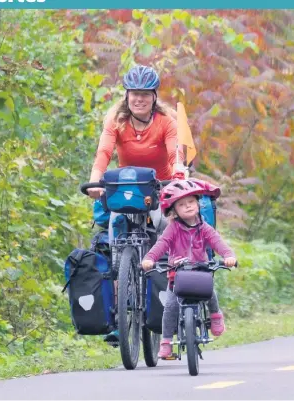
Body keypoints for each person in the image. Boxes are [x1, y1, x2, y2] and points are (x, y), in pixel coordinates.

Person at [86, 64, 179, 344]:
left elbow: (175, 155)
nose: (138, 99)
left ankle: (166, 303)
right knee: (115, 236)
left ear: (154, 96)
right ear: (126, 95)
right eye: (133, 93)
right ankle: (118, 315)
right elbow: (104, 152)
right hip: (126, 189)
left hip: (159, 188)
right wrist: (94, 180)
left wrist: (176, 180)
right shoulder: (116, 120)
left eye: (144, 94)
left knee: (165, 232)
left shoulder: (166, 122)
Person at [141, 179, 237, 359]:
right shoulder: (172, 229)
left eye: (191, 202)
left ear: (198, 203)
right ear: (173, 210)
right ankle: (167, 341)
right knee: (170, 307)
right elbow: (160, 245)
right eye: (182, 204)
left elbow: (218, 243)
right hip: (176, 276)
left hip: (200, 272)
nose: (187, 206)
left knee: (210, 293)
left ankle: (215, 315)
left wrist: (228, 256)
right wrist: (149, 259)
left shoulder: (204, 228)